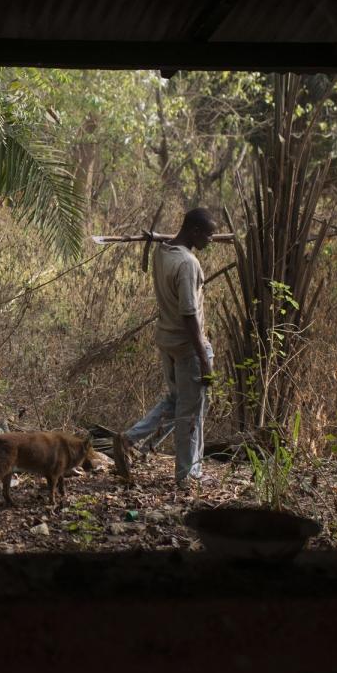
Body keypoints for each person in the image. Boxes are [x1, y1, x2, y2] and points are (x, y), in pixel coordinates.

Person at [123, 207, 217, 485]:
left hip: (167, 341)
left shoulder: (162, 251)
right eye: (209, 236)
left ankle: (130, 438)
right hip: (188, 348)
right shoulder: (188, 263)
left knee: (177, 401)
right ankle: (188, 475)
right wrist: (204, 357)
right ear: (195, 232)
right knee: (192, 412)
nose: (211, 241)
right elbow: (189, 313)